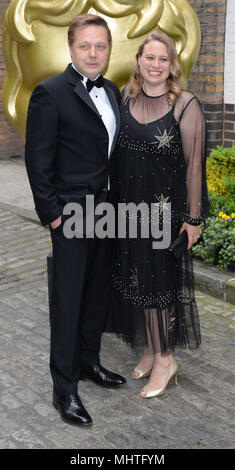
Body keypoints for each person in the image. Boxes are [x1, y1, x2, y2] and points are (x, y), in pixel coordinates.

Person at [25, 14, 126, 427]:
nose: (93, 53)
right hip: (69, 215)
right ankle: (63, 388)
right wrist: (51, 215)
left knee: (96, 294)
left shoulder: (113, 90)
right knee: (68, 302)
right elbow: (38, 160)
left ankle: (89, 363)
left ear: (108, 49)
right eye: (85, 45)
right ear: (70, 48)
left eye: (100, 46)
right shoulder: (50, 93)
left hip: (107, 212)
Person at [109, 30, 209, 398]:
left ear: (172, 65)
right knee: (138, 283)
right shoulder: (126, 95)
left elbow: (194, 166)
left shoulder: (185, 105)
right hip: (129, 211)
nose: (155, 65)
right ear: (138, 61)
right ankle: (151, 350)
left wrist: (194, 219)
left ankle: (167, 359)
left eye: (162, 59)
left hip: (164, 215)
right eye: (149, 58)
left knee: (158, 288)